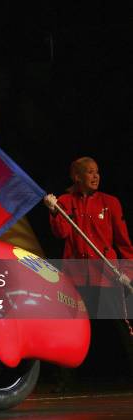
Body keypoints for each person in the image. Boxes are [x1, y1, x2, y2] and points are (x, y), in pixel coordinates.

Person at [44, 157, 133, 388]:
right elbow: (61, 234)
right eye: (90, 172)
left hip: (106, 274)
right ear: (77, 177)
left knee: (122, 327)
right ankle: (64, 380)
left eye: (97, 172)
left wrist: (128, 271)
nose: (95, 177)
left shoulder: (110, 202)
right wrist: (54, 212)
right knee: (68, 327)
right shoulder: (64, 202)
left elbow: (124, 243)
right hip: (74, 277)